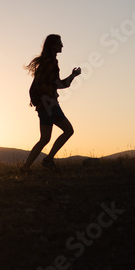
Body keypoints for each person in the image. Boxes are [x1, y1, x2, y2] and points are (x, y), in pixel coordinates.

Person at [21, 34, 81, 172]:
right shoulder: (50, 62)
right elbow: (48, 84)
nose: (62, 45)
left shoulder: (47, 62)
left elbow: (57, 84)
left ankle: (25, 167)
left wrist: (73, 76)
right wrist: (48, 98)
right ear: (52, 45)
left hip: (44, 106)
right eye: (59, 43)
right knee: (68, 130)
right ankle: (48, 160)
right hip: (50, 105)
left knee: (45, 139)